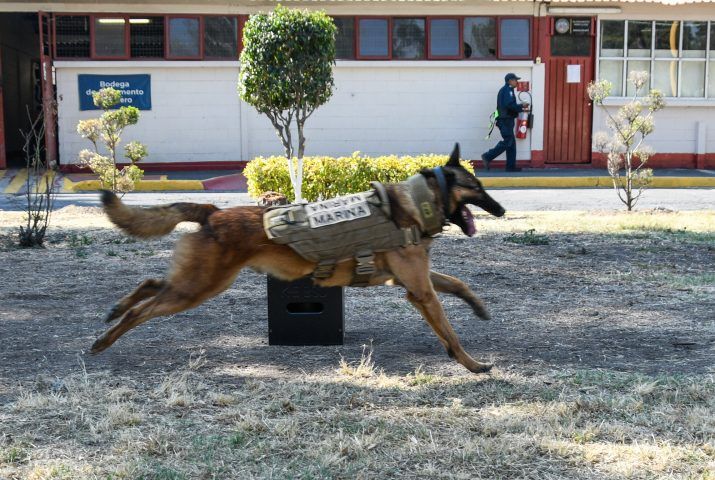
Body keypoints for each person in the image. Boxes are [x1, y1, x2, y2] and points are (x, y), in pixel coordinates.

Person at [481, 73, 530, 172]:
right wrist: (521, 106)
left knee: (511, 144)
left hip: (506, 120)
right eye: (515, 80)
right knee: (508, 141)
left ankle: (510, 167)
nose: (517, 82)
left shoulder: (507, 90)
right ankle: (487, 156)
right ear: (510, 81)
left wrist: (520, 107)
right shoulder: (507, 90)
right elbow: (509, 105)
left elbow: (508, 105)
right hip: (505, 120)